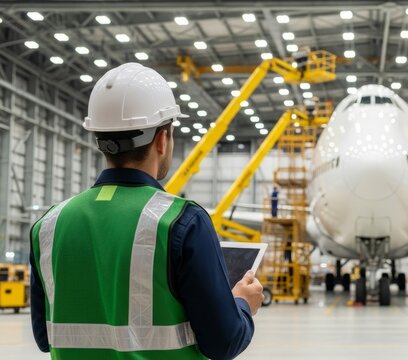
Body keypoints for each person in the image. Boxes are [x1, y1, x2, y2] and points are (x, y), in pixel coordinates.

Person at [29, 63, 263, 359]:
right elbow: (223, 342)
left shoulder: (48, 225)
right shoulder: (182, 222)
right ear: (162, 140)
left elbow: (44, 336)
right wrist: (242, 303)